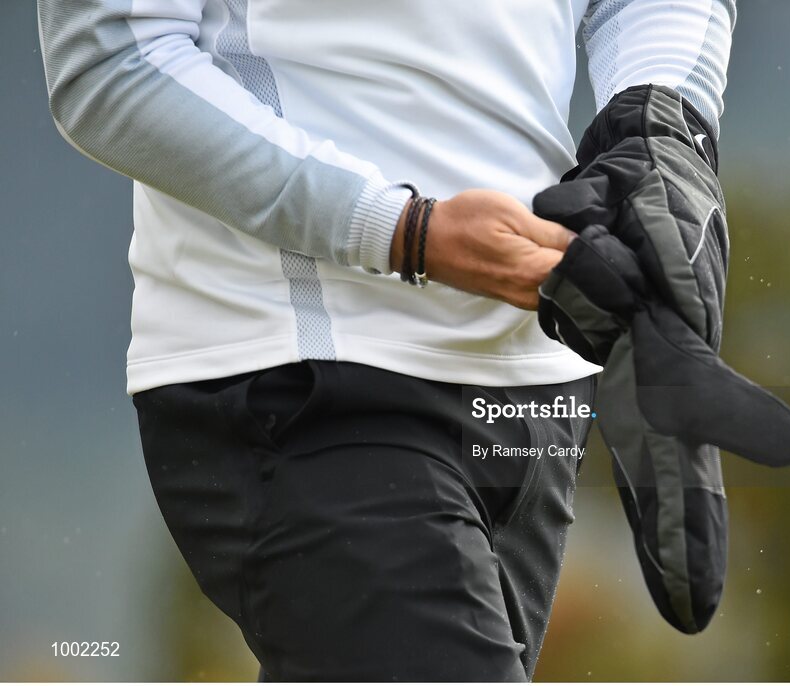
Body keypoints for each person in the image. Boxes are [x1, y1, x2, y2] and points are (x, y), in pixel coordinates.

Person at [38, 0, 736, 680]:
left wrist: (660, 125)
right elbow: (110, 58)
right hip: (307, 366)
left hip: (539, 382)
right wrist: (401, 230)